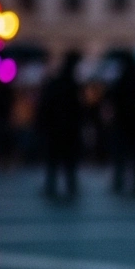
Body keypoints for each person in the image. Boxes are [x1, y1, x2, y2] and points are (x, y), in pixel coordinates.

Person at [38, 52, 83, 200]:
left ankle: (52, 186)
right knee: (68, 161)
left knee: (55, 161)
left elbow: (45, 106)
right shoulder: (73, 85)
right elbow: (78, 109)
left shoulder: (56, 83)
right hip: (68, 129)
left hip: (56, 129)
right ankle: (70, 186)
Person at [108, 51, 135, 196]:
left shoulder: (121, 80)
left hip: (123, 123)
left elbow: (112, 99)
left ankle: (119, 180)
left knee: (122, 154)